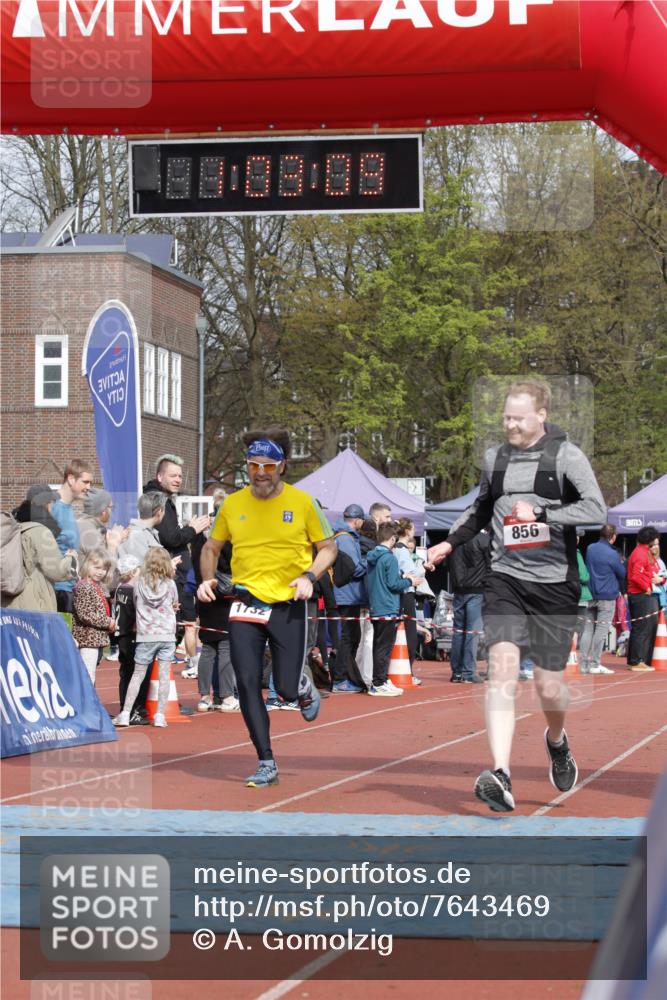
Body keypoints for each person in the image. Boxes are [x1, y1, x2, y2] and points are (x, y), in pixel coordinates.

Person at [428, 380, 606, 812]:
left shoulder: (566, 456)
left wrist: (543, 511)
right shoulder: (497, 459)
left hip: (554, 584)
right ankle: (501, 772)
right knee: (501, 671)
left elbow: (597, 510)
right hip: (505, 578)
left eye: (517, 417)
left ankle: (557, 741)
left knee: (549, 686)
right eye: (505, 416)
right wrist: (449, 543)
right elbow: (480, 509)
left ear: (540, 415)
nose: (508, 423)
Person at [197, 430, 337, 788]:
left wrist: (309, 576)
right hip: (245, 603)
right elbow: (211, 547)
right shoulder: (232, 504)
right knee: (246, 683)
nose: (260, 473)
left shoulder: (303, 503)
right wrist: (207, 579)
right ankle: (265, 760)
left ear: (282, 466)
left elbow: (328, 548)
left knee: (286, 692)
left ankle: (302, 686)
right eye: (254, 465)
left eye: (269, 466)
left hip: (289, 603)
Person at [143, 454, 210, 676]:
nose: (178, 479)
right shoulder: (158, 500)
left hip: (176, 573)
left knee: (181, 624)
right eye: (173, 475)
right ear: (159, 476)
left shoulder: (163, 499)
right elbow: (171, 538)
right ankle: (187, 663)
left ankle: (183, 662)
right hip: (170, 575)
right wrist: (193, 529)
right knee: (179, 624)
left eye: (180, 475)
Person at [113, 547, 179, 728]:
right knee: (164, 675)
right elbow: (174, 603)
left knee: (138, 674)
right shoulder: (170, 584)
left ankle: (126, 713)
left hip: (145, 635)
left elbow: (136, 603)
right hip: (166, 634)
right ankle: (159, 715)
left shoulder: (139, 584)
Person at [366, 522, 423, 696]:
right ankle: (379, 682)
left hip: (377, 605)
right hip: (388, 606)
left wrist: (401, 576)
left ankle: (380, 679)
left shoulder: (372, 557)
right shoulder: (389, 558)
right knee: (384, 647)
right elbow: (393, 584)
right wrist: (409, 581)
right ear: (392, 539)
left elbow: (385, 579)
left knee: (379, 645)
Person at [6, 486, 75, 612]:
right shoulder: (39, 531)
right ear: (46, 504)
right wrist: (72, 558)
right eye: (52, 502)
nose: (54, 507)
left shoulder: (14, 528)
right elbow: (58, 572)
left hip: (9, 604)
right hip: (33, 605)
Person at [331, 503, 369, 693]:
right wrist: (368, 561)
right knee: (349, 638)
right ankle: (340, 679)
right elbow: (354, 569)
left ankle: (346, 677)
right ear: (357, 520)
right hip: (348, 594)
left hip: (347, 594)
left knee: (352, 637)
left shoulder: (342, 536)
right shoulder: (346, 539)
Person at [447, 529, 490, 684]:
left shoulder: (454, 540)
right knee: (472, 632)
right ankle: (468, 672)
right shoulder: (483, 539)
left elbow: (448, 565)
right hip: (477, 590)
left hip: (459, 589)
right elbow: (490, 565)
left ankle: (457, 672)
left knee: (459, 632)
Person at [581, 524, 626, 675]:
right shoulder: (613, 554)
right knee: (601, 630)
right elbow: (622, 573)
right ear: (612, 537)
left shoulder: (591, 548)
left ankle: (583, 663)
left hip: (591, 594)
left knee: (587, 631)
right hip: (607, 596)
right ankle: (595, 663)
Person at [52, 459, 93, 612]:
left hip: (69, 588)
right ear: (70, 479)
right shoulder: (53, 507)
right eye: (85, 482)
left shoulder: (68, 509)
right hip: (57, 591)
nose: (88, 487)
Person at [113, 555, 149, 725]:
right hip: (131, 635)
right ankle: (135, 709)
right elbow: (137, 613)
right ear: (135, 571)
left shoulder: (120, 588)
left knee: (125, 672)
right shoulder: (131, 590)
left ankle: (124, 708)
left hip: (121, 635)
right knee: (136, 673)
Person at [72, 548, 116, 684]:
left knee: (89, 674)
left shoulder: (95, 585)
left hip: (95, 637)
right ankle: (87, 704)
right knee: (87, 676)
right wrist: (107, 622)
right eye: (96, 567)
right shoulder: (84, 586)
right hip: (87, 638)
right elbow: (85, 614)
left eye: (103, 569)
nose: (100, 572)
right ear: (87, 565)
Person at [626, 526, 663, 672]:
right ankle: (636, 661)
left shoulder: (644, 552)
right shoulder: (640, 554)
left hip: (643, 595)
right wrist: (647, 587)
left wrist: (658, 579)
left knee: (644, 628)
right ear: (649, 539)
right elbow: (636, 575)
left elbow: (650, 571)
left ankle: (638, 659)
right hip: (641, 596)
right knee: (642, 628)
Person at [393, 519, 420, 668]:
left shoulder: (396, 549)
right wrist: (422, 567)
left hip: (400, 593)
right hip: (406, 594)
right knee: (410, 633)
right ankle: (407, 667)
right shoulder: (402, 551)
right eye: (414, 529)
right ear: (408, 531)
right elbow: (413, 575)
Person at [77, 488, 127, 560]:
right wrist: (113, 543)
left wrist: (118, 539)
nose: (111, 512)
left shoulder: (84, 525)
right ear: (103, 511)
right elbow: (104, 566)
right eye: (111, 508)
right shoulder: (89, 531)